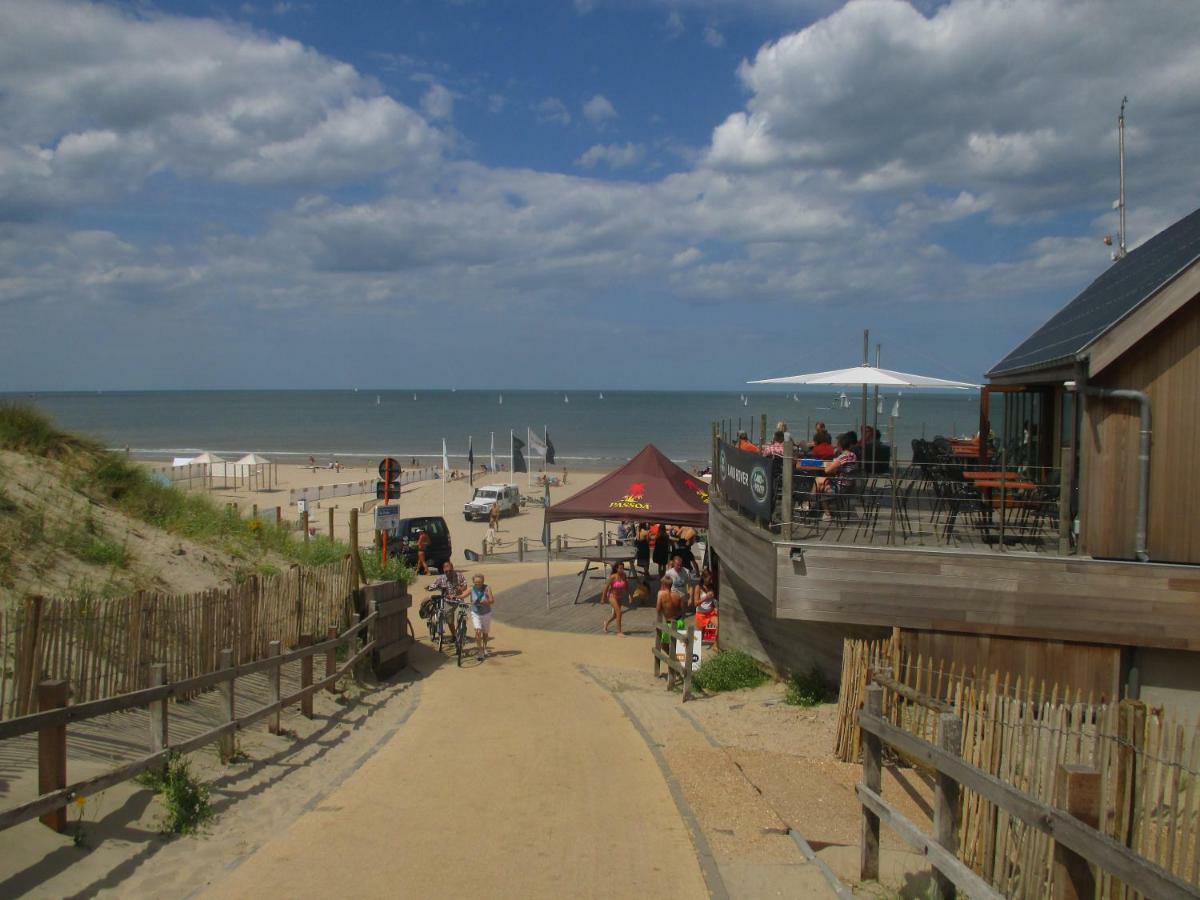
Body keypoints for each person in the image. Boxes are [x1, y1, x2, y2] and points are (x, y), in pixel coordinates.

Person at [812, 432, 859, 522]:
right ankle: (813, 506)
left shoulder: (842, 457)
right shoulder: (853, 456)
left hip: (840, 487)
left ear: (840, 446)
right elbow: (843, 468)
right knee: (820, 482)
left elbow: (827, 470)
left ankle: (820, 510)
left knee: (819, 483)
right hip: (849, 485)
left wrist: (831, 464)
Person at [431, 560, 468, 635]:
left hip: (459, 599)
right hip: (448, 601)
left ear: (453, 568)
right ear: (443, 570)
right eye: (446, 571)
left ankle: (462, 630)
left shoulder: (459, 575)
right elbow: (434, 585)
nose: (448, 573)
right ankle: (454, 635)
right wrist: (430, 587)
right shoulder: (441, 578)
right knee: (449, 620)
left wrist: (461, 589)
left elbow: (465, 585)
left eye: (450, 571)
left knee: (463, 616)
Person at [468, 574, 495, 658]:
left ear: (483, 582)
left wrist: (486, 601)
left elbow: (492, 600)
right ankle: (480, 651)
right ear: (473, 582)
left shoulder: (487, 588)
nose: (477, 584)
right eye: (476, 582)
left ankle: (484, 648)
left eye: (479, 582)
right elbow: (463, 595)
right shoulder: (471, 588)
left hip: (486, 613)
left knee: (485, 633)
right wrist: (455, 597)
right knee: (478, 631)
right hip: (475, 613)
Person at [602, 561, 629, 635]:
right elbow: (606, 587)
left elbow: (626, 585)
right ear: (616, 569)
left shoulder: (624, 575)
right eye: (620, 568)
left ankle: (606, 623)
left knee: (615, 615)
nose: (622, 570)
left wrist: (629, 595)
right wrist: (603, 598)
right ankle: (619, 632)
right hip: (611, 596)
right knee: (619, 613)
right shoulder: (613, 577)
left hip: (619, 596)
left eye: (623, 568)